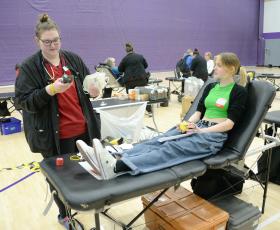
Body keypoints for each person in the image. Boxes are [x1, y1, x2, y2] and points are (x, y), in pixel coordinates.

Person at [76, 52, 248, 180]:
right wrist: (186, 124)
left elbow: (229, 124)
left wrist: (202, 132)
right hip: (198, 126)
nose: (214, 67)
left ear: (231, 69)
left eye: (218, 65)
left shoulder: (239, 92)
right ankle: (111, 156)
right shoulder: (211, 87)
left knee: (170, 148)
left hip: (212, 136)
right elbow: (198, 112)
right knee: (159, 140)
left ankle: (116, 167)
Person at [15, 14, 101, 229]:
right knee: (60, 180)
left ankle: (85, 202)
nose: (53, 45)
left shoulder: (73, 59)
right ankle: (65, 215)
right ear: (37, 41)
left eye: (56, 40)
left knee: (86, 171)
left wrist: (93, 90)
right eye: (47, 41)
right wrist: (49, 90)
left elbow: (87, 87)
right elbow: (23, 102)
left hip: (84, 129)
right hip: (55, 136)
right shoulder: (29, 67)